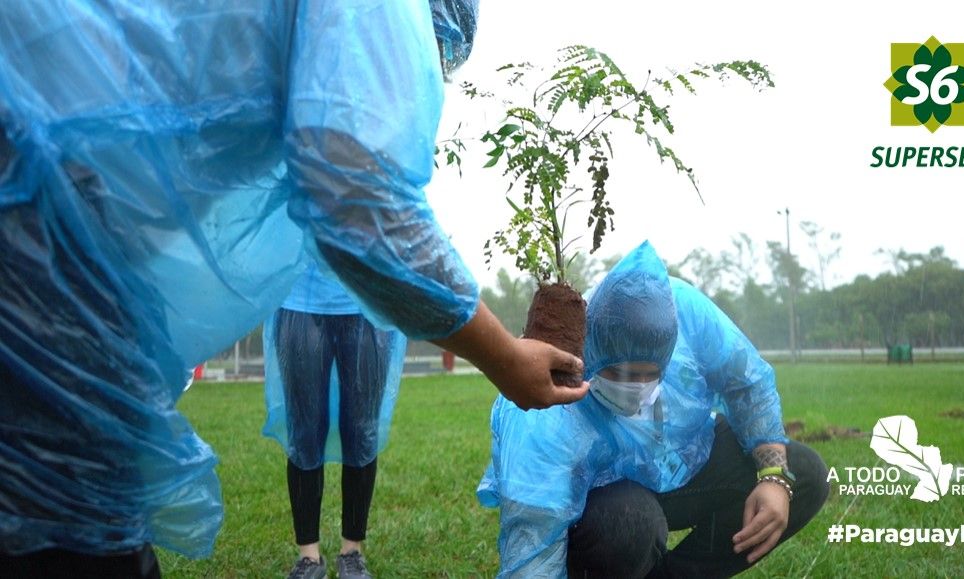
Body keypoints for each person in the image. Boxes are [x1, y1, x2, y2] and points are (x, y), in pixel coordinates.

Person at [0, 1, 585, 576]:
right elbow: (357, 199)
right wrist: (504, 357)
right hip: (32, 175)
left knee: (59, 503)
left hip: (48, 168)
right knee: (65, 515)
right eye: (430, 63)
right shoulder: (381, 13)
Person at [477, 241, 829, 578]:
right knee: (633, 524)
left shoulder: (685, 311)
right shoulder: (549, 407)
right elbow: (534, 525)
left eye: (650, 375)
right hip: (607, 499)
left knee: (804, 473)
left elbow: (746, 381)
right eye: (621, 373)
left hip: (684, 456)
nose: (637, 389)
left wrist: (774, 477)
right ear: (592, 352)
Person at [262, 263, 407, 579]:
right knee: (304, 430)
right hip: (298, 298)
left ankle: (351, 552)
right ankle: (308, 558)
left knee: (361, 429)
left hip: (369, 300)